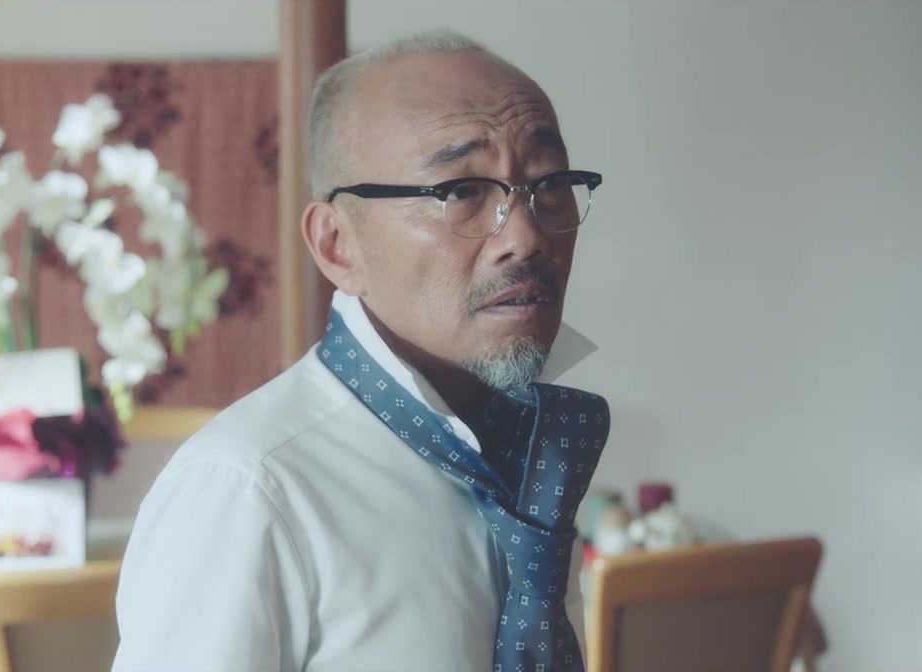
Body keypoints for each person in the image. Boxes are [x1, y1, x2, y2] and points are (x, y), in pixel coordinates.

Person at [112, 29, 609, 672]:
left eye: (550, 183)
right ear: (338, 245)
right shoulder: (247, 488)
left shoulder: (535, 455)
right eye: (462, 191)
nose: (527, 235)